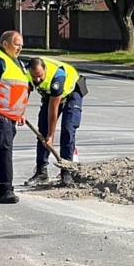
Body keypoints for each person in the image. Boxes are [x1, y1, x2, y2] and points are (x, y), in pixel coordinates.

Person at [26, 56, 86, 187]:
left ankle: (67, 172)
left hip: (72, 93)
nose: (37, 80)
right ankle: (41, 172)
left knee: (68, 129)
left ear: (45, 70)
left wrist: (51, 136)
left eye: (40, 76)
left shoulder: (57, 77)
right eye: (34, 76)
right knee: (42, 131)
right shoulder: (27, 74)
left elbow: (53, 109)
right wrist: (19, 111)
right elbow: (24, 93)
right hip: (50, 95)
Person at [0, 31, 30, 205]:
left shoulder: (18, 63)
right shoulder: (0, 60)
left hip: (11, 117)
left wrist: (20, 113)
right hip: (1, 115)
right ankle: (5, 189)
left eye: (21, 45)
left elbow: (19, 90)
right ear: (5, 44)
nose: (20, 47)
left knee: (3, 151)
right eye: (17, 44)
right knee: (4, 151)